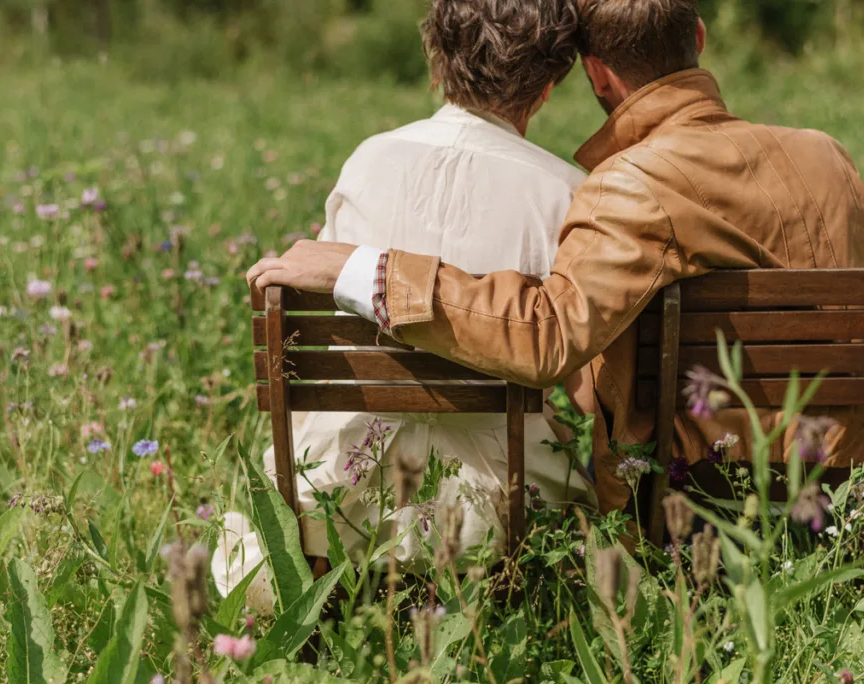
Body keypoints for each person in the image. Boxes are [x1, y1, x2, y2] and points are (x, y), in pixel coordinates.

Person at [247, 0, 864, 521]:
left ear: (597, 75)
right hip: (852, 488)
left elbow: (547, 335)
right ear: (698, 35)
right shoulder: (828, 154)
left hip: (705, 499)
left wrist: (365, 270)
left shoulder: (632, 184)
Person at [216, 0, 594, 612]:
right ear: (549, 85)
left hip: (349, 489)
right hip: (504, 500)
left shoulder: (368, 162)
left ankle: (325, 580)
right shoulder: (564, 191)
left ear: (436, 61)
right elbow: (579, 378)